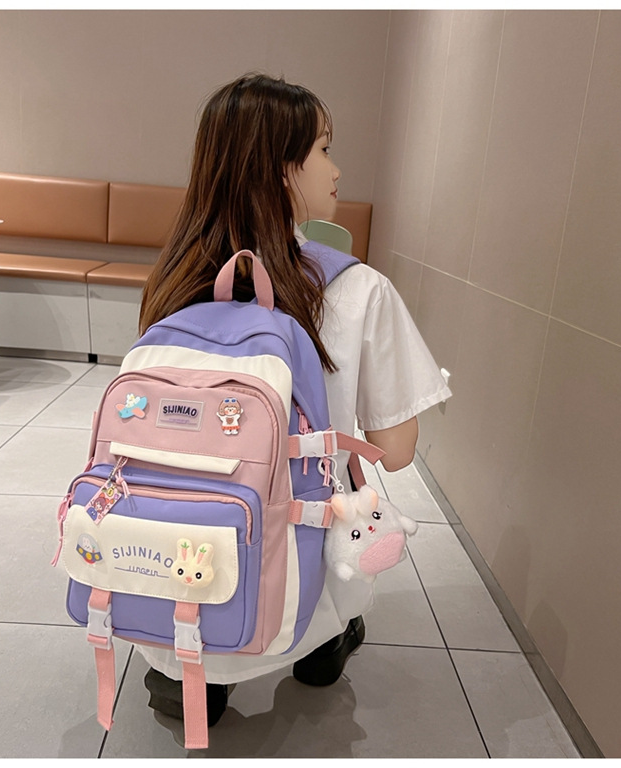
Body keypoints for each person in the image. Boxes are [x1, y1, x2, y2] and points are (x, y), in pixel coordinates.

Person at [137, 72, 452, 728]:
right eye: (325, 150)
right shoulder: (357, 289)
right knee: (351, 502)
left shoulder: (171, 280)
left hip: (173, 549)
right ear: (283, 169)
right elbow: (395, 452)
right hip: (298, 571)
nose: (336, 170)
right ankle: (323, 642)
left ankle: (184, 669)